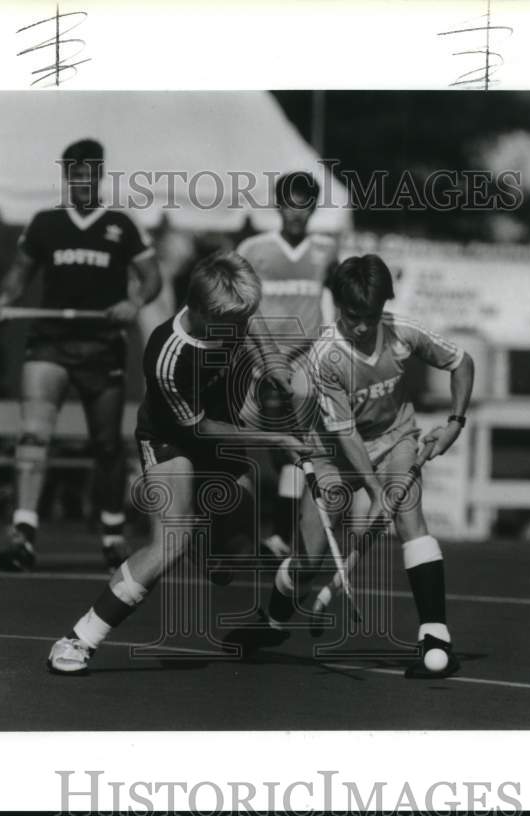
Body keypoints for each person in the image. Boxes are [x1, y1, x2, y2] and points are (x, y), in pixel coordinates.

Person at [46, 251, 311, 673]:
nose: (240, 329)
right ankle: (79, 638)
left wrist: (273, 362)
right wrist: (276, 436)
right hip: (174, 439)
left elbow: (254, 322)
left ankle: (202, 539)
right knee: (170, 542)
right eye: (232, 324)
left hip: (218, 430)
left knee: (231, 557)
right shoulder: (168, 356)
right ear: (203, 314)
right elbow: (201, 431)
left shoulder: (232, 314)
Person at [250, 254, 475, 679]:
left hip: (395, 439)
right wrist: (374, 491)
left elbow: (461, 361)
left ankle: (436, 637)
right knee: (309, 559)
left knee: (411, 520)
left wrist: (454, 424)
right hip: (333, 451)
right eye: (353, 316)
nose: (361, 326)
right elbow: (347, 434)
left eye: (370, 316)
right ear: (338, 307)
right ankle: (273, 621)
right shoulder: (325, 357)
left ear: (383, 307)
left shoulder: (403, 333)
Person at [0, 138, 161, 572]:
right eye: (74, 175)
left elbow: (152, 277)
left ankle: (112, 533)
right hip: (49, 343)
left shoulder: (121, 225)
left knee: (106, 446)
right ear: (66, 176)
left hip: (101, 346)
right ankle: (23, 533)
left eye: (89, 174)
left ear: (100, 175)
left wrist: (134, 302)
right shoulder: (46, 223)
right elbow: (19, 273)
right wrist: (5, 298)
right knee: (33, 435)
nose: (81, 182)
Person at [236, 171, 339, 557]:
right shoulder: (254, 248)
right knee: (237, 446)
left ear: (313, 209)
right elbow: (234, 302)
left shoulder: (324, 250)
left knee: (297, 450)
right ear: (279, 206)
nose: (298, 213)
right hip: (254, 361)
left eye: (305, 205)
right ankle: (231, 530)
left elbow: (342, 299)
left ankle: (280, 534)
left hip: (303, 365)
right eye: (291, 204)